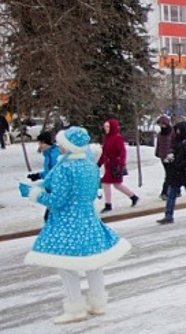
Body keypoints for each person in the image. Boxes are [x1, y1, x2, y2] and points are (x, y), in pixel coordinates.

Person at [18, 126, 131, 324]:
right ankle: (98, 304)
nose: (59, 146)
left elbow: (57, 201)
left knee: (66, 266)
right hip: (88, 219)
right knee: (93, 263)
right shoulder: (89, 166)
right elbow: (86, 193)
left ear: (69, 146)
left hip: (67, 222)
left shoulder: (64, 168)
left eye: (62, 143)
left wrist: (33, 194)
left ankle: (75, 308)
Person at [96, 118, 139, 214]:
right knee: (117, 185)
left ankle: (108, 204)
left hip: (115, 166)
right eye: (105, 127)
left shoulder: (117, 138)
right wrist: (99, 163)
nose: (106, 129)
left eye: (108, 127)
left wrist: (121, 164)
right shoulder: (107, 138)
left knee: (106, 183)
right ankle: (133, 197)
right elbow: (104, 153)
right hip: (109, 165)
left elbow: (122, 152)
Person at [27, 131, 62, 222]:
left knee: (50, 219)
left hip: (56, 191)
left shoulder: (54, 155)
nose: (40, 145)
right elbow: (49, 172)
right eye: (39, 143)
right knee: (51, 219)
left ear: (48, 142)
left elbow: (57, 173)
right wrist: (38, 175)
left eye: (42, 143)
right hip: (51, 190)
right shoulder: (48, 154)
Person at [155, 115, 174, 201]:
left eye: (162, 124)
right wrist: (157, 153)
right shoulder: (160, 134)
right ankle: (165, 192)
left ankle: (172, 191)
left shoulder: (172, 133)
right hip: (163, 156)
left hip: (171, 155)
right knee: (169, 174)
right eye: (160, 124)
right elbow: (158, 145)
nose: (161, 126)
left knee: (172, 174)